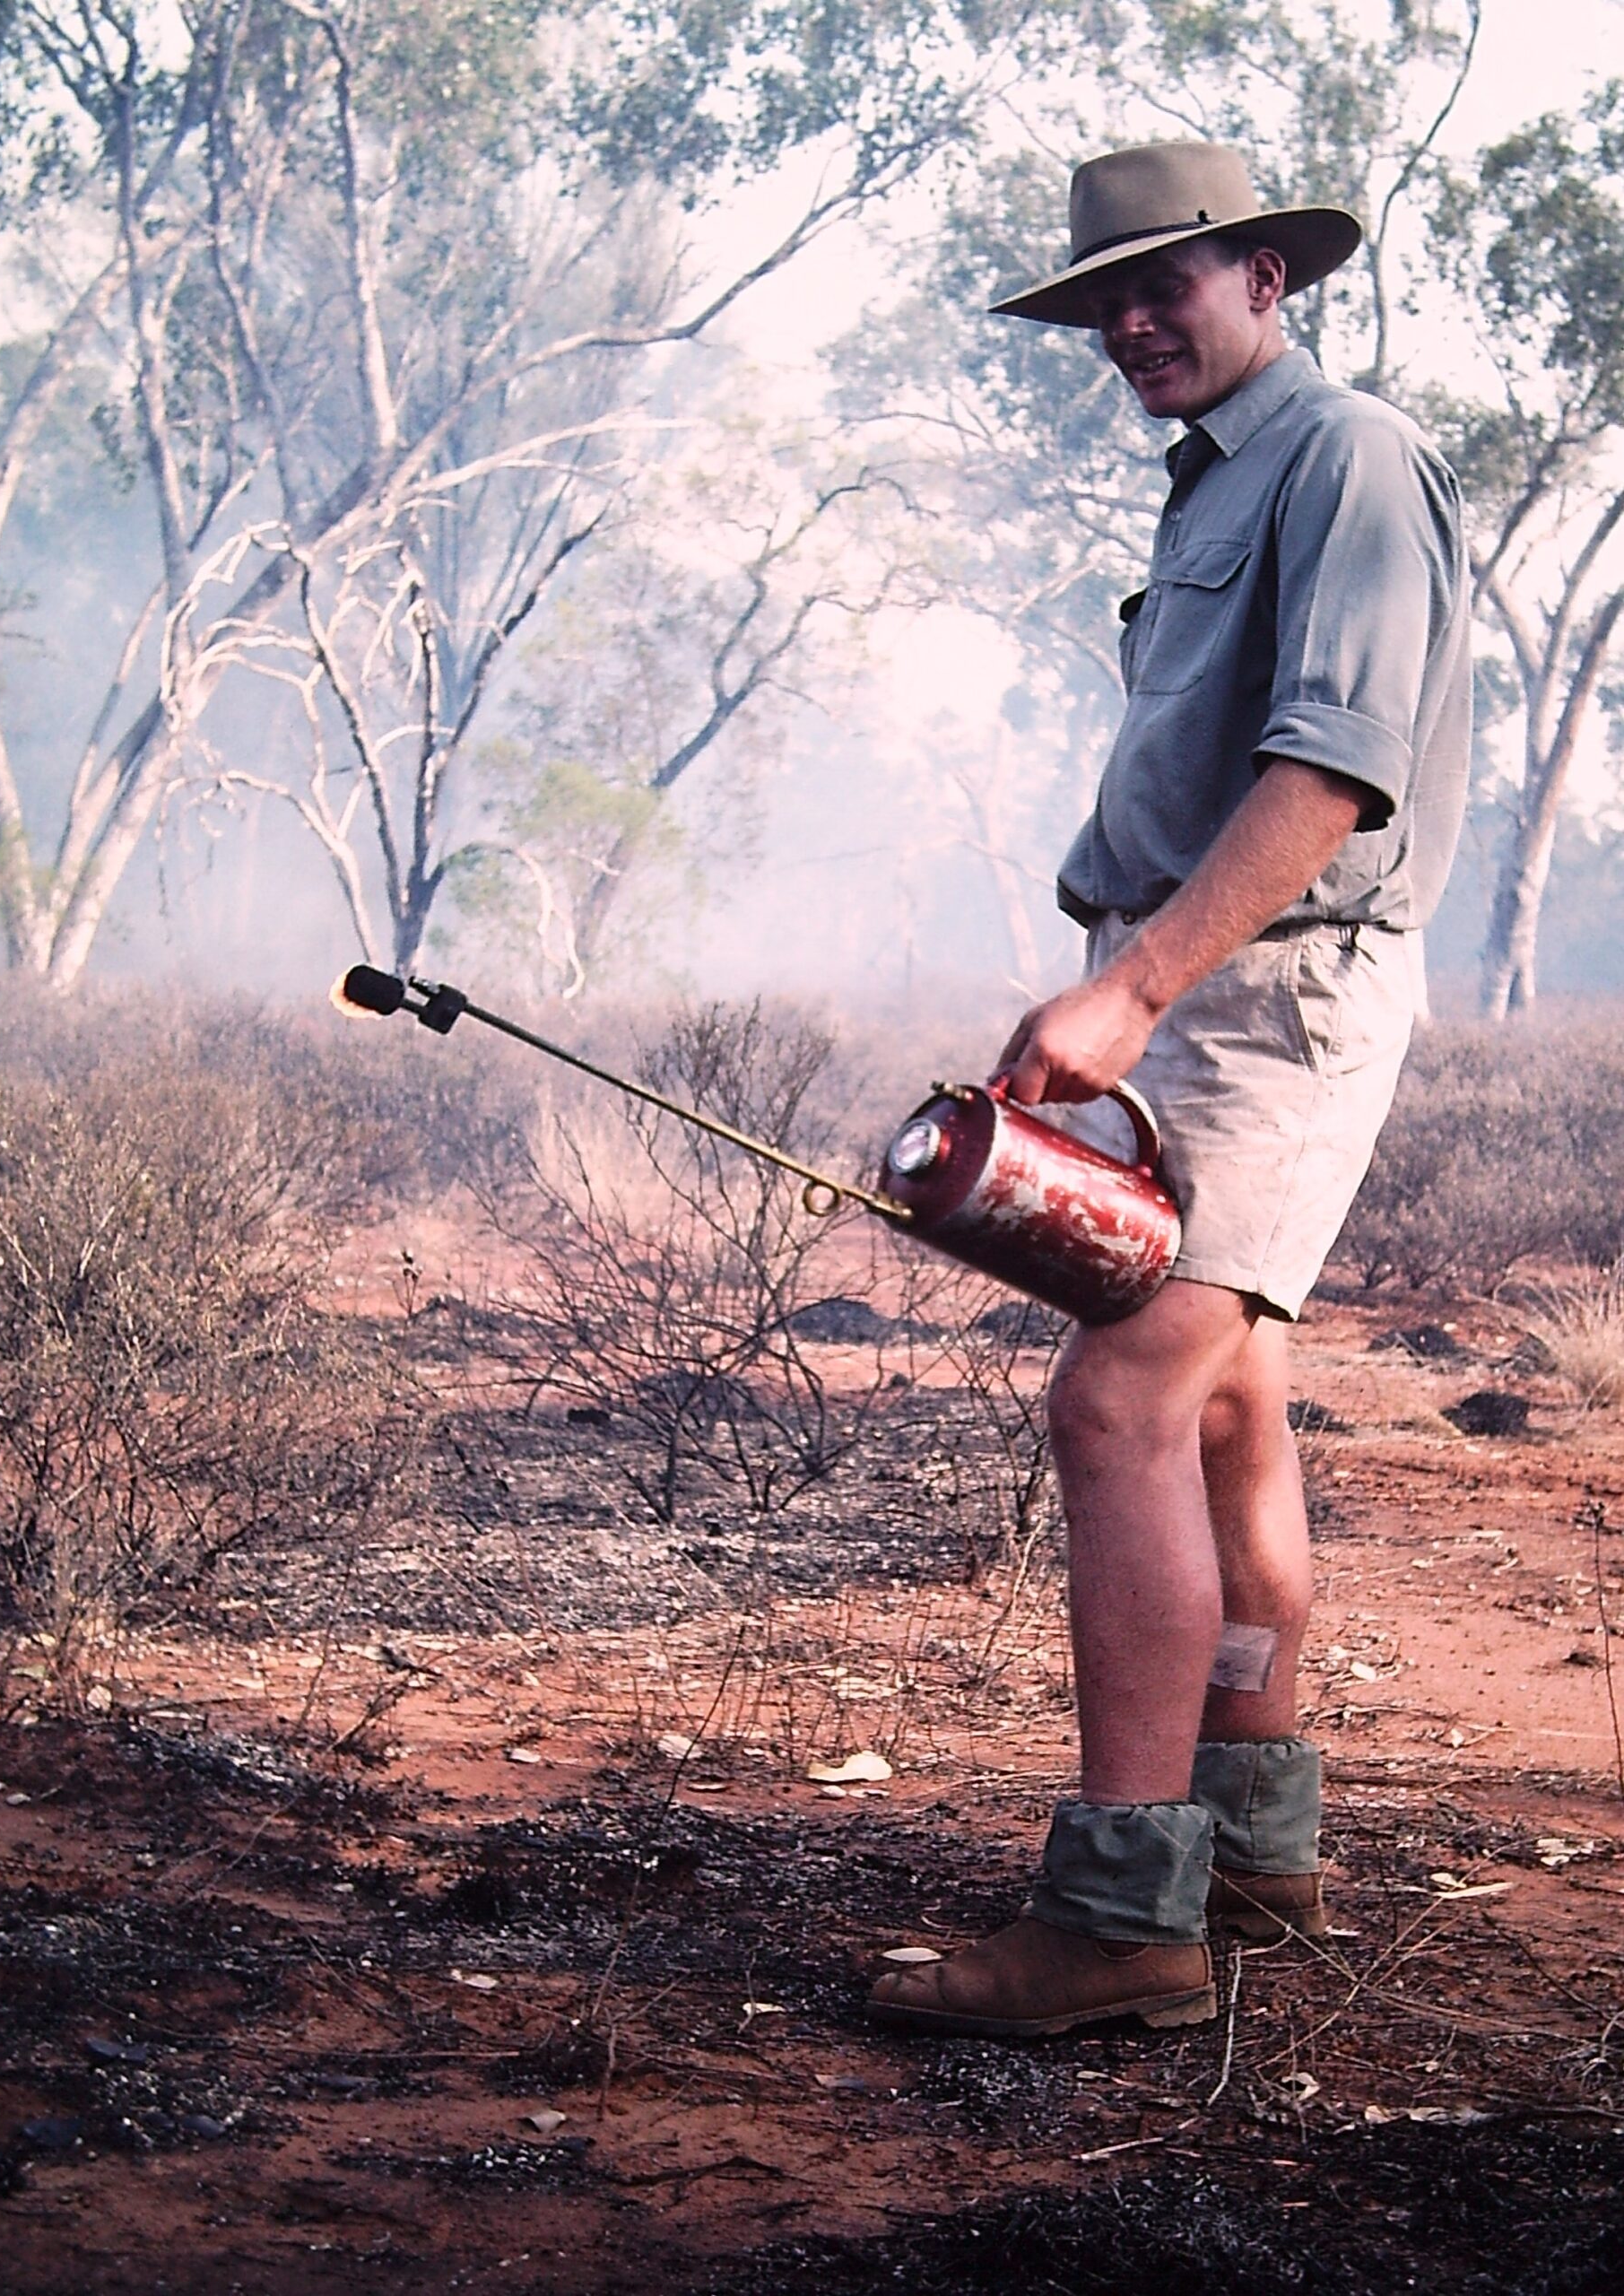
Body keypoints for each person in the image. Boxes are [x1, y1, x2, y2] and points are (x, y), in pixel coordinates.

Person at [869, 142, 1471, 2039]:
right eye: (1104, 304)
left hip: (1267, 998)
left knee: (1116, 1395)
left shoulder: (1346, 454)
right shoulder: (1222, 480)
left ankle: (1125, 1911)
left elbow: (1332, 772)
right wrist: (1127, 974)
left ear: (1267, 279)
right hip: (1208, 986)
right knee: (1227, 1409)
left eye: (1169, 286)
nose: (1132, 325)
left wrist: (1132, 986)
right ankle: (1257, 1840)